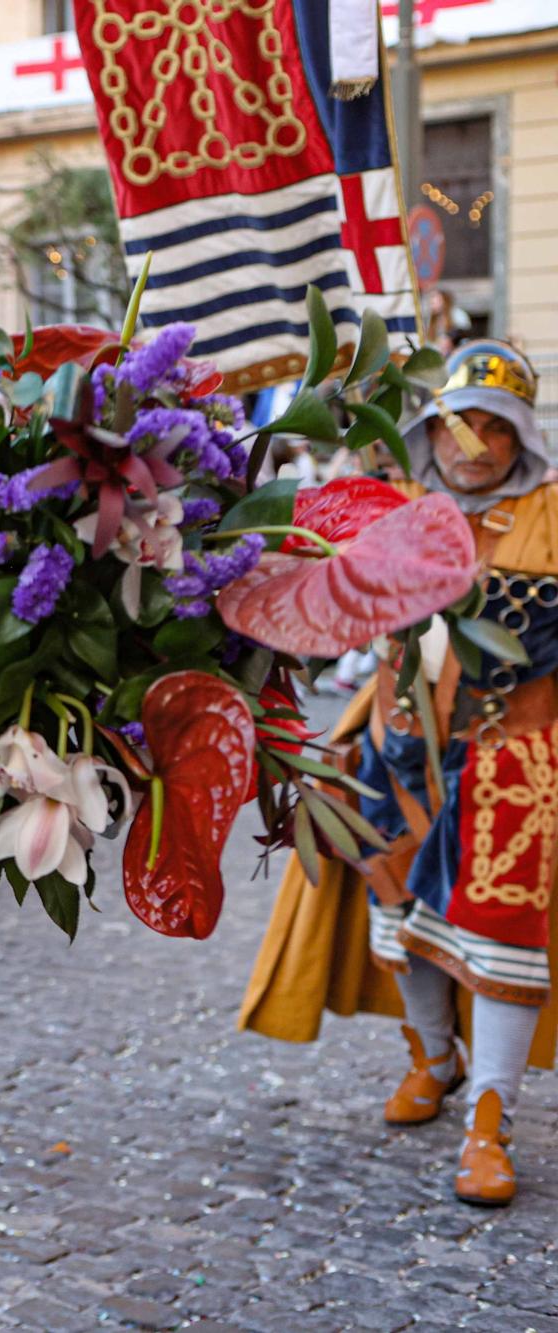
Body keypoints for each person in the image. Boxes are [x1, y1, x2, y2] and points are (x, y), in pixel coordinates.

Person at [241, 341, 558, 1209]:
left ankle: (489, 1120)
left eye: (497, 427)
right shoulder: (393, 507)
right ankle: (433, 1057)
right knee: (397, 905)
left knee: (502, 934)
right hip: (396, 746)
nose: (476, 445)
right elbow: (310, 594)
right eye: (460, 424)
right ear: (429, 430)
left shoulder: (556, 514)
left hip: (513, 761)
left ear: (522, 436)